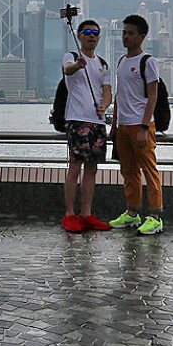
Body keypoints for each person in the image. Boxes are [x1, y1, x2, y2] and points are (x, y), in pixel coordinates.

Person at [109, 14, 164, 235]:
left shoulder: (148, 62)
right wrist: (114, 124)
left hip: (142, 126)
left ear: (142, 36)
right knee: (128, 171)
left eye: (130, 33)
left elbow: (153, 97)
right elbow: (119, 95)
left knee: (149, 170)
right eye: (124, 32)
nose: (125, 37)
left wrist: (144, 127)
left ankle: (156, 216)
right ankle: (132, 213)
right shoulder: (122, 62)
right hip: (123, 126)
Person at [61, 19, 113, 233]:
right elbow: (68, 70)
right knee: (75, 167)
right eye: (87, 32)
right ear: (80, 35)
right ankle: (69, 214)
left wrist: (104, 105)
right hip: (77, 119)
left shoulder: (103, 63)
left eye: (95, 33)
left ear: (99, 38)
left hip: (97, 122)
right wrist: (78, 65)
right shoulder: (72, 56)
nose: (92, 36)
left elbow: (107, 92)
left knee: (92, 169)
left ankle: (87, 213)